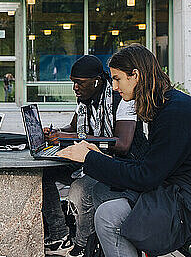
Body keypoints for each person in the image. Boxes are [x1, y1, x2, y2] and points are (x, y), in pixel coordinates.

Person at [57, 44, 191, 257]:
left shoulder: (175, 113)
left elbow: (146, 177)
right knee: (102, 191)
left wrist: (90, 158)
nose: (113, 87)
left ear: (136, 76)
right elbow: (148, 167)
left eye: (117, 78)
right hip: (185, 189)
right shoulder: (164, 104)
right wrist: (97, 156)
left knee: (108, 216)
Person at [42, 55, 148, 256]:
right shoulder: (84, 101)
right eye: (73, 82)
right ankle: (59, 235)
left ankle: (82, 246)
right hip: (90, 158)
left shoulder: (123, 100)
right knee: (46, 175)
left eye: (79, 83)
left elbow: (123, 144)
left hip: (119, 163)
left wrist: (71, 136)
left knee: (81, 189)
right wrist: (55, 134)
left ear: (97, 81)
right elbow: (72, 128)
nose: (75, 87)